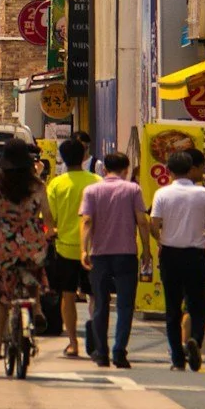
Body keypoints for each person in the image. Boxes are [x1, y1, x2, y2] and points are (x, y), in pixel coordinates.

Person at [0, 139, 52, 361]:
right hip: (33, 244)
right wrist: (50, 232)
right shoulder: (38, 186)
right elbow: (49, 218)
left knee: (3, 296)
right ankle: (37, 310)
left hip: (7, 245)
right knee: (33, 275)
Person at [148, 149, 205, 371]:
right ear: (190, 168)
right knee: (198, 304)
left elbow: (154, 224)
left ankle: (177, 359)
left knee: (172, 308)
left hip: (170, 254)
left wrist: (160, 239)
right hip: (195, 255)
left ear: (169, 171)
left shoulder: (162, 194)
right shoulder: (202, 194)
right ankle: (195, 341)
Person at [79, 152, 152, 368]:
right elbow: (142, 221)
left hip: (99, 255)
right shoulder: (133, 190)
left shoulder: (91, 190)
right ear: (126, 169)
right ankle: (119, 352)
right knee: (125, 305)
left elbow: (87, 221)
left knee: (100, 304)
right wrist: (146, 249)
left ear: (104, 170)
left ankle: (101, 353)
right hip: (126, 254)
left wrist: (84, 250)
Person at [43, 136, 98, 358]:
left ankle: (73, 343)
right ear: (84, 155)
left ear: (63, 158)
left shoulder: (56, 184)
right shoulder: (97, 181)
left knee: (67, 296)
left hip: (65, 249)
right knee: (95, 296)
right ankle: (96, 338)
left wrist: (52, 233)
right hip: (94, 249)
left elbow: (49, 220)